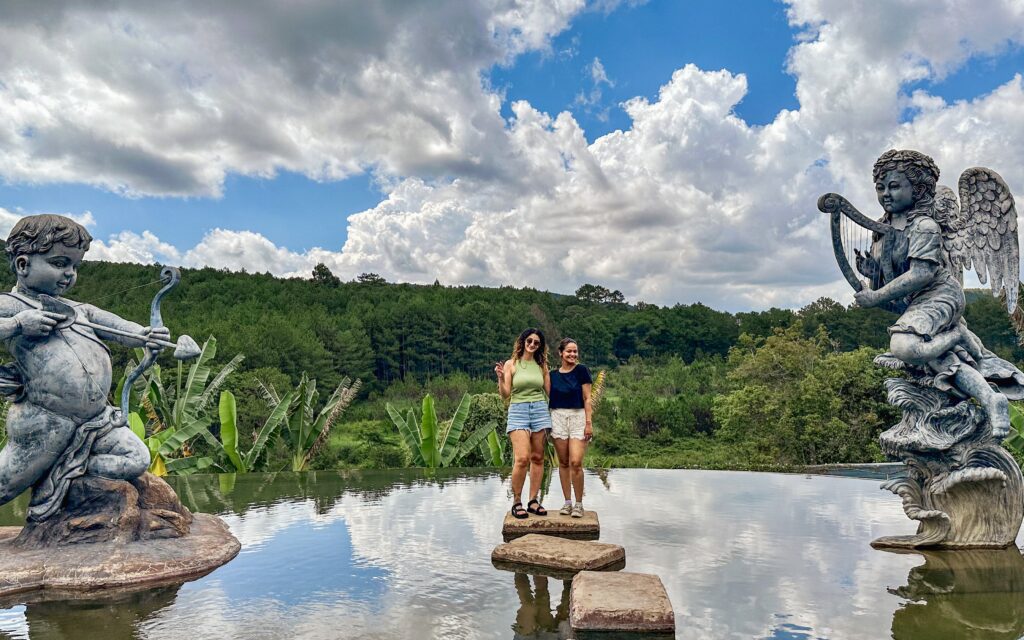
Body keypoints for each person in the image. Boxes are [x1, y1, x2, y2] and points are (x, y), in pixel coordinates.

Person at [0, 214, 168, 519]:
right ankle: (58, 467)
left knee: (136, 459)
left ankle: (68, 470)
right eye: (60, 263)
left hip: (96, 420)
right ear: (23, 264)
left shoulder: (81, 310)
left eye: (75, 266)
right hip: (46, 422)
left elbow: (122, 329)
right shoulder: (12, 305)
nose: (69, 274)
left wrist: (147, 334)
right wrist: (16, 324)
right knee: (3, 486)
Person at [853, 149, 1024, 436]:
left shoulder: (924, 226)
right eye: (880, 187)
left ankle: (956, 334)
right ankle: (990, 399)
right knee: (944, 360)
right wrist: (872, 273)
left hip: (939, 294)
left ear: (918, 189)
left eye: (894, 186)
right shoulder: (884, 228)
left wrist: (875, 297)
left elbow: (922, 274)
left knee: (904, 347)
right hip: (914, 301)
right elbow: (892, 273)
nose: (885, 194)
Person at [495, 328, 551, 519]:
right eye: (529, 341)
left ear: (539, 346)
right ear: (523, 342)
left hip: (540, 411)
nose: (532, 344)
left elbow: (551, 392)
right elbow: (505, 394)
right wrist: (501, 378)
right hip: (518, 411)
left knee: (537, 457)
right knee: (522, 458)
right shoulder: (512, 364)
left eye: (536, 342)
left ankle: (533, 500)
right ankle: (516, 501)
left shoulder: (541, 365)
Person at [548, 338, 592, 518]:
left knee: (576, 462)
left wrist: (589, 422)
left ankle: (579, 503)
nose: (573, 354)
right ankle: (567, 502)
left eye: (575, 351)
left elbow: (588, 398)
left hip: (578, 417)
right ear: (560, 353)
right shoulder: (552, 375)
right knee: (564, 462)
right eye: (569, 351)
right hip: (557, 416)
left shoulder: (582, 371)